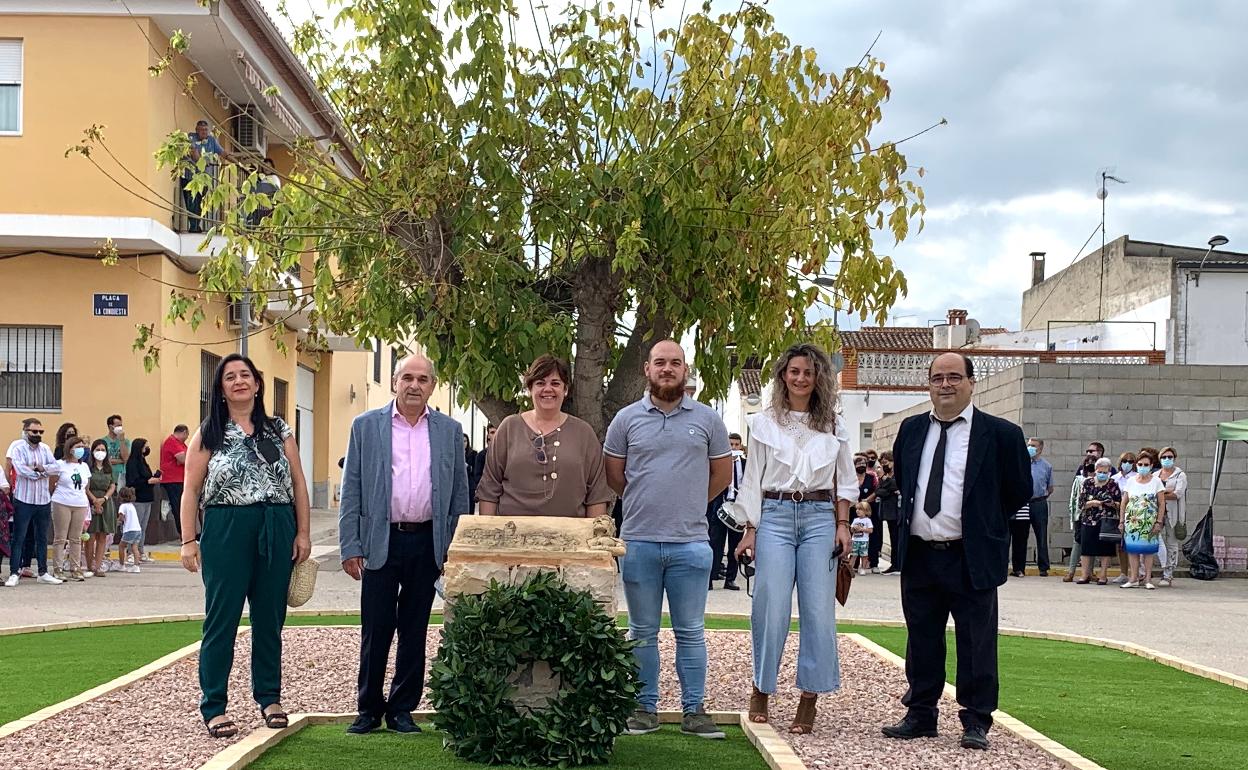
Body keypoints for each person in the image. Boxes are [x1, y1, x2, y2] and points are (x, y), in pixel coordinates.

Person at [882, 353, 1030, 751]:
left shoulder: (1001, 434)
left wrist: (985, 525)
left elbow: (1017, 489)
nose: (945, 385)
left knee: (976, 640)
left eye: (953, 377)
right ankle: (920, 713)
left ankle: (976, 719)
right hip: (920, 553)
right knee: (922, 637)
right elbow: (905, 480)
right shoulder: (911, 430)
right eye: (937, 378)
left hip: (971, 554)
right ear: (928, 384)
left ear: (970, 382)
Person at [178, 353, 312, 738]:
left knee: (270, 619)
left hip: (276, 523)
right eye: (229, 377)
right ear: (220, 389)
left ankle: (269, 697)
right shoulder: (209, 433)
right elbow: (190, 490)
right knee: (222, 619)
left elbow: (299, 484)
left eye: (245, 375)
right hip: (226, 526)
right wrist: (189, 540)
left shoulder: (280, 430)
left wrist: (302, 533)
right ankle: (214, 705)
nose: (239, 381)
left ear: (257, 384)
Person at [724, 342, 855, 735]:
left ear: (819, 379)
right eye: (794, 371)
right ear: (783, 375)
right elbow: (753, 479)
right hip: (775, 516)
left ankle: (809, 696)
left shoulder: (833, 423)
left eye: (809, 372)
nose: (800, 378)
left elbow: (845, 479)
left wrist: (843, 523)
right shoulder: (764, 422)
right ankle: (761, 687)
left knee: (817, 610)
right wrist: (750, 530)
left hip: (819, 516)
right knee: (770, 605)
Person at [605, 339, 732, 739]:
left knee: (691, 631)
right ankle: (644, 709)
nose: (667, 369)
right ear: (647, 369)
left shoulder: (709, 420)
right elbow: (614, 475)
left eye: (674, 363)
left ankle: (694, 710)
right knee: (641, 630)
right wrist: (647, 501)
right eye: (660, 362)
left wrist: (690, 502)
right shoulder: (625, 420)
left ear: (685, 369)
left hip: (691, 544)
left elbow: (722, 476)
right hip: (639, 540)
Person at [340, 354, 469, 736]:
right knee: (376, 628)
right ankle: (368, 709)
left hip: (428, 541)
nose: (415, 385)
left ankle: (401, 710)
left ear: (432, 385)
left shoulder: (448, 430)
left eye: (423, 379)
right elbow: (353, 489)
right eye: (408, 377)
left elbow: (459, 493)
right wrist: (350, 545)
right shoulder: (365, 426)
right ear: (395, 381)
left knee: (414, 629)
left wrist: (455, 546)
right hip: (381, 540)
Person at [476, 355, 611, 518]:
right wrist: (487, 534)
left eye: (555, 383)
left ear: (565, 389)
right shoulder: (509, 428)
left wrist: (593, 539)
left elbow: (596, 495)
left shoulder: (584, 434)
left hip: (571, 539)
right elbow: (489, 490)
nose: (548, 389)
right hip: (512, 538)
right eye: (540, 383)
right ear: (530, 388)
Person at [5, 418, 62, 586]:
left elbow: (56, 467)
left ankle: (43, 572)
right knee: (19, 537)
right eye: (34, 431)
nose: (38, 434)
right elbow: (22, 470)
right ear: (26, 432)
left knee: (42, 537)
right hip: (24, 499)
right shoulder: (18, 448)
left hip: (43, 500)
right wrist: (41, 472)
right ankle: (14, 572)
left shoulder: (45, 449)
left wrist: (41, 469)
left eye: (40, 432)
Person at [1121, 449, 1164, 591]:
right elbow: (1124, 502)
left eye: (1146, 464)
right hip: (1132, 522)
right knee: (1132, 551)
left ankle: (1147, 579)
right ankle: (1133, 578)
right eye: (1140, 464)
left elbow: (1161, 503)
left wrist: (1158, 521)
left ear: (1151, 465)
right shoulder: (1131, 481)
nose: (1143, 467)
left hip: (1149, 522)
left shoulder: (1157, 481)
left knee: (1148, 551)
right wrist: (1121, 520)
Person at [708, 433, 746, 590]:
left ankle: (730, 579)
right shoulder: (720, 462)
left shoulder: (746, 464)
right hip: (720, 507)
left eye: (736, 445)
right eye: (731, 444)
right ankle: (710, 578)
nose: (733, 448)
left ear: (741, 446)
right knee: (714, 544)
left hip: (737, 509)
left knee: (735, 547)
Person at [49, 435, 90, 582]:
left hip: (80, 503)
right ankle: (58, 569)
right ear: (70, 449)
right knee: (60, 537)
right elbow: (52, 484)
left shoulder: (84, 466)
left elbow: (86, 486)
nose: (81, 450)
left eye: (82, 447)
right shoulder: (60, 464)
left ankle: (75, 568)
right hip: (62, 502)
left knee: (76, 538)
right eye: (77, 447)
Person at [1074, 457, 1120, 585]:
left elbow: (1119, 503)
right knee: (1086, 548)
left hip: (1106, 520)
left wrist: (1112, 504)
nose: (1102, 474)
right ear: (1095, 470)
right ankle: (1085, 575)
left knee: (1106, 549)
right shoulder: (1087, 483)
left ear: (1109, 471)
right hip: (1089, 520)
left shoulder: (1113, 484)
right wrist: (1091, 503)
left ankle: (1103, 575)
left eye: (1105, 472)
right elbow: (1080, 503)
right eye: (1100, 471)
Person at [183, 120, 229, 233]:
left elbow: (223, 153)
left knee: (200, 202)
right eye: (201, 130)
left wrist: (238, 162)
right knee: (191, 202)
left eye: (206, 130)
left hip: (205, 178)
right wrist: (202, 162)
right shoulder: (191, 137)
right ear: (196, 130)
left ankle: (196, 225)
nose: (204, 132)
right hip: (190, 177)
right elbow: (194, 153)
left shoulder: (211, 140)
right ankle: (193, 227)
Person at [1153, 446, 1186, 587]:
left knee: (1172, 544)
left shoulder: (1180, 475)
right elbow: (1151, 492)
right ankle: (1145, 572)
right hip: (1156, 514)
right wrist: (1166, 492)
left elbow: (1177, 494)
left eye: (1170, 457)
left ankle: (1168, 574)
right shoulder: (1155, 475)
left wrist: (1162, 493)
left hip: (1173, 514)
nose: (1167, 460)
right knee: (1156, 541)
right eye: (1164, 457)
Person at [84, 438, 117, 576]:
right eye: (98, 450)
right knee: (90, 536)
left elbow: (112, 485)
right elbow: (86, 487)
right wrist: (95, 501)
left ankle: (97, 566)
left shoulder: (109, 468)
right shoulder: (88, 468)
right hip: (90, 501)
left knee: (102, 536)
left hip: (106, 502)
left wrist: (104, 499)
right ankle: (89, 565)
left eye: (103, 450)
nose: (100, 452)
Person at [124, 438, 160, 563]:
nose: (147, 449)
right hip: (138, 499)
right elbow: (133, 481)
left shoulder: (143, 461)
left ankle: (140, 551)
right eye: (145, 446)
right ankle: (130, 552)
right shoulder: (132, 463)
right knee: (135, 526)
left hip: (147, 498)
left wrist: (153, 478)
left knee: (143, 527)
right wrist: (148, 481)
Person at [1024, 438, 1054, 576]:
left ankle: (1043, 567)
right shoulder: (1020, 462)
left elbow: (1050, 487)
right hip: (1022, 503)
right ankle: (1019, 565)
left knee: (1041, 535)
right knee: (1020, 535)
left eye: (1033, 446)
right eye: (1029, 445)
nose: (1030, 447)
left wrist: (1041, 497)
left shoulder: (1046, 466)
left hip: (1039, 503)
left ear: (1040, 449)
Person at [1063, 460, 1096, 582]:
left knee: (1092, 544)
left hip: (1095, 516)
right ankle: (1071, 571)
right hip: (1080, 515)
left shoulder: (1100, 480)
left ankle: (1090, 572)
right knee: (1077, 543)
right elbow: (1074, 499)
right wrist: (1074, 517)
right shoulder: (1079, 480)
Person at [1109, 451, 1136, 583]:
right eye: (1125, 461)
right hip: (1117, 512)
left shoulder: (1136, 477)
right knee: (1120, 545)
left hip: (1133, 513)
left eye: (1131, 461)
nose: (1127, 464)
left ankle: (1136, 573)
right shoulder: (1114, 478)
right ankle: (1123, 572)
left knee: (1133, 544)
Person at [160, 425, 190, 538]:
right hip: (173, 480)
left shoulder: (181, 444)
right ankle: (183, 533)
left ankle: (186, 532)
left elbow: (188, 457)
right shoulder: (172, 441)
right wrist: (183, 459)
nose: (187, 437)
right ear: (184, 432)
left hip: (180, 479)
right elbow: (184, 459)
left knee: (183, 506)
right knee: (178, 507)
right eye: (187, 434)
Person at [876, 451, 901, 574]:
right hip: (888, 512)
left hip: (897, 511)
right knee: (892, 537)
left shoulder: (897, 475)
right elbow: (880, 491)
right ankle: (894, 563)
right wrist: (889, 488)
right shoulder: (884, 477)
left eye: (886, 463)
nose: (884, 466)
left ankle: (898, 564)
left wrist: (887, 483)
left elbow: (897, 486)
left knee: (897, 538)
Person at [854, 456, 878, 572]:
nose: (861, 465)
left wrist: (866, 500)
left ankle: (873, 563)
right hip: (854, 509)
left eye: (863, 463)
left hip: (869, 509)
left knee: (872, 536)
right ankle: (855, 563)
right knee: (856, 534)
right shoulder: (851, 478)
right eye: (858, 464)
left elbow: (876, 490)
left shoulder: (871, 477)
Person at [116, 488, 143, 574]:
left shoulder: (122, 506)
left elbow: (121, 517)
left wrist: (116, 523)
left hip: (129, 530)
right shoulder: (132, 506)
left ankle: (121, 564)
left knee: (121, 546)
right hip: (137, 529)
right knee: (135, 547)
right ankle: (136, 566)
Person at [469, 424, 495, 509]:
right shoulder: (481, 455)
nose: (495, 435)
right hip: (487, 494)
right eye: (492, 432)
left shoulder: (507, 453)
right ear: (488, 435)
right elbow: (477, 475)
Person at [103, 415, 131, 491]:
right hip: (108, 477)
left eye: (121, 425)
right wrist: (120, 461)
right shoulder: (103, 441)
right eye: (118, 425)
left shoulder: (126, 441)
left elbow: (126, 458)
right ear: (110, 427)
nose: (120, 428)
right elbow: (104, 460)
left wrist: (121, 440)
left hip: (121, 477)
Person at [851, 501, 874, 575]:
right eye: (857, 509)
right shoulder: (855, 520)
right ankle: (850, 568)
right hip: (855, 540)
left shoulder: (868, 520)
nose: (857, 511)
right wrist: (854, 528)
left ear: (866, 511)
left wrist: (862, 529)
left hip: (864, 540)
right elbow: (851, 529)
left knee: (864, 555)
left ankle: (863, 568)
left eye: (860, 509)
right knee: (853, 554)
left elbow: (870, 530)